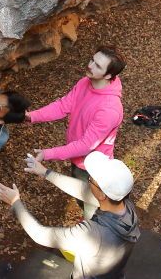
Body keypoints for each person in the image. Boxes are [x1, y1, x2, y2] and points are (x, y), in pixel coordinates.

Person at [0, 151, 140, 279]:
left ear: (103, 194)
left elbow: (41, 235)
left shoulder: (91, 234)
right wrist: (46, 172)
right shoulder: (127, 207)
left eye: (91, 180)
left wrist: (15, 202)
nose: (88, 181)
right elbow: (83, 190)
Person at [25, 46, 126, 219]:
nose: (90, 66)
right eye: (92, 60)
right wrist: (31, 116)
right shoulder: (85, 82)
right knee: (83, 197)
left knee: (91, 204)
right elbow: (63, 105)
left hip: (91, 167)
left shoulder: (109, 109)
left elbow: (85, 146)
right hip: (78, 157)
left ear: (109, 75)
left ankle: (93, 228)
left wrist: (47, 154)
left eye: (97, 66)